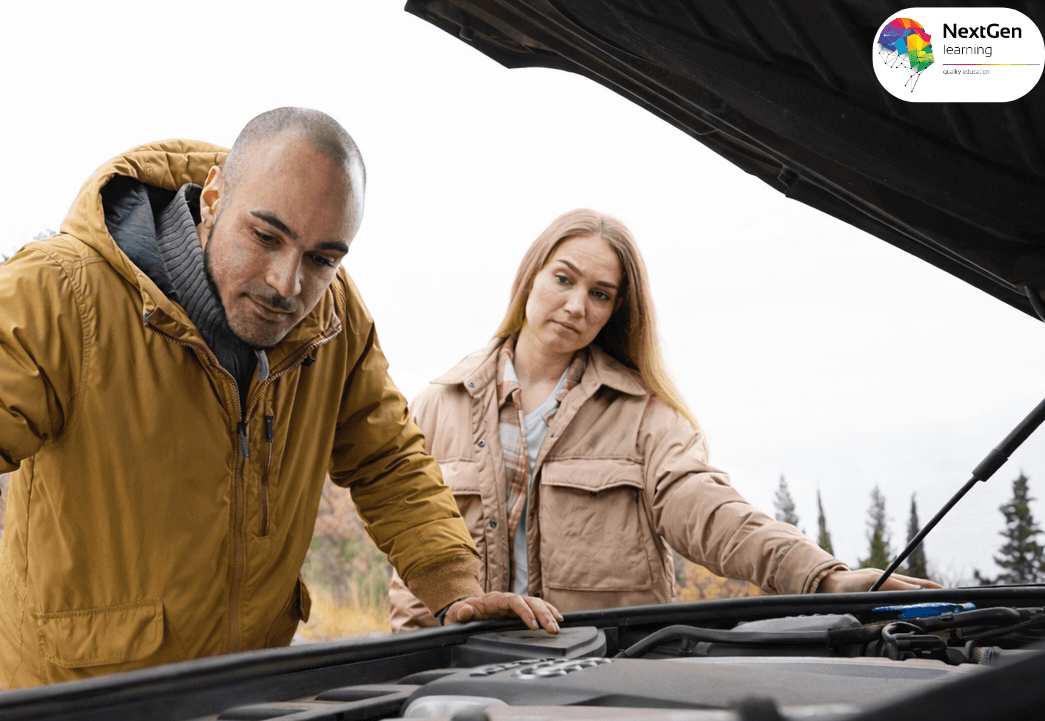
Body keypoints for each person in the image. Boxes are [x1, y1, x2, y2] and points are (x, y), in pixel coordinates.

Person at [0, 108, 561, 708]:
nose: (288, 282)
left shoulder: (335, 319)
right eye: (267, 236)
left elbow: (389, 461)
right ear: (213, 197)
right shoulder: (62, 293)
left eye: (322, 258)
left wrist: (454, 589)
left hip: (240, 714)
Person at [389, 209, 937, 629]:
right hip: (458, 679)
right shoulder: (437, 406)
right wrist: (411, 668)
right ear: (531, 275)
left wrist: (822, 578)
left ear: (614, 312)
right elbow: (411, 562)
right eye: (564, 279)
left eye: (599, 294)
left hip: (608, 678)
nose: (578, 305)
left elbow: (710, 512)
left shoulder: (647, 417)